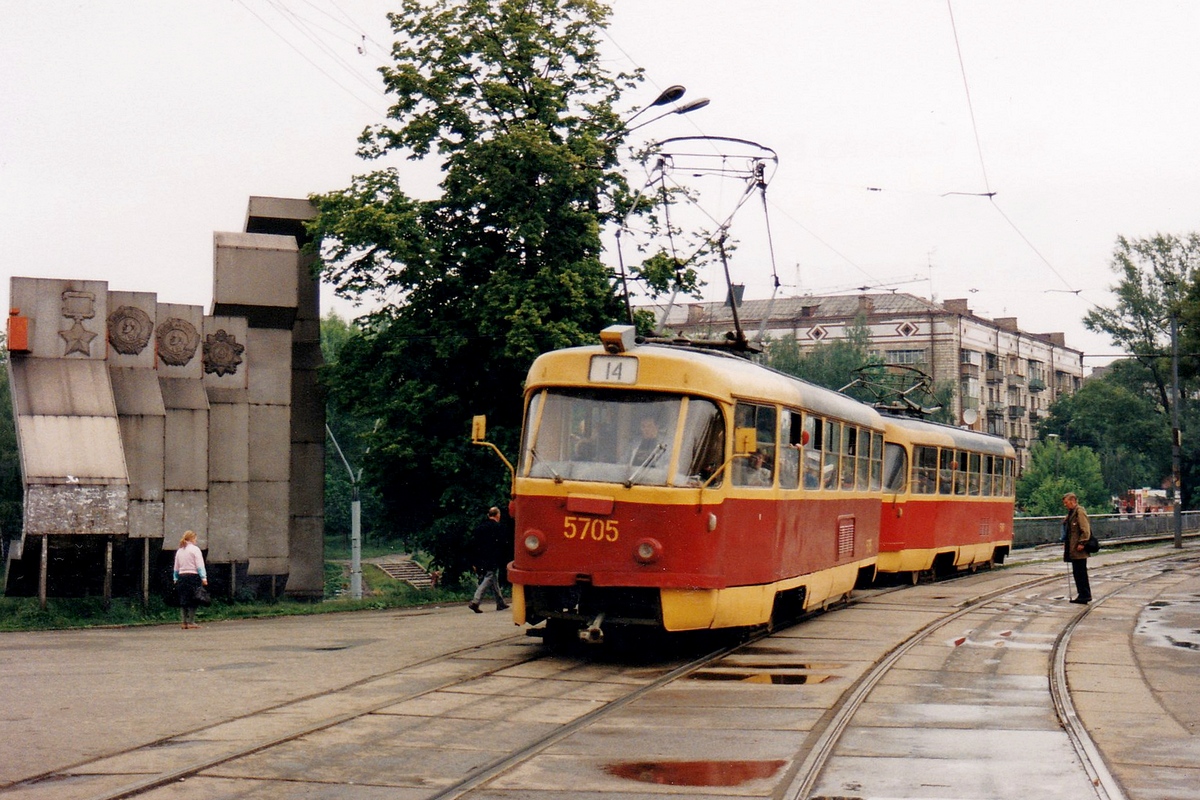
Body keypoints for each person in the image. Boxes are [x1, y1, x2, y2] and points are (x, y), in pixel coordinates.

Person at [468, 507, 510, 613]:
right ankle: (475, 601)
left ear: (488, 515)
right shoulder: (499, 528)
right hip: (493, 557)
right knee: (489, 577)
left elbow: (473, 545)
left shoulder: (480, 528)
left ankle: (500, 603)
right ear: (498, 515)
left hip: (481, 558)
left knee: (493, 578)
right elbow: (503, 545)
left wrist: (474, 561)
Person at [173, 530, 208, 629]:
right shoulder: (195, 550)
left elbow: (176, 566)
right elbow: (200, 565)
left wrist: (175, 577)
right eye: (195, 538)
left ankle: (184, 622)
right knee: (194, 598)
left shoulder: (180, 550)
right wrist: (204, 577)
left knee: (183, 599)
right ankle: (191, 622)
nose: (196, 540)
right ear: (192, 538)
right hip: (193, 576)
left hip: (182, 577)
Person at [1062, 492, 1092, 604]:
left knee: (1081, 572)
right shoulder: (1072, 513)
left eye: (1066, 502)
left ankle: (1085, 595)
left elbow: (1085, 529)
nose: (1065, 505)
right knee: (1077, 572)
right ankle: (1082, 594)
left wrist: (1082, 542)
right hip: (1074, 548)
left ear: (1073, 501)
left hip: (1079, 548)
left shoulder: (1079, 512)